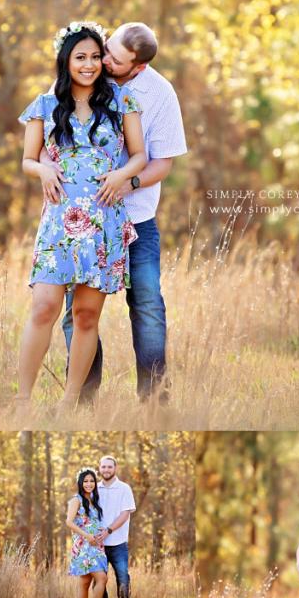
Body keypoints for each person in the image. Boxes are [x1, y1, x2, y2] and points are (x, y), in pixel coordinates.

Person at [44, 22, 188, 403]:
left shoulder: (158, 94)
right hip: (83, 222)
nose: (103, 61)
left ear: (137, 67)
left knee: (147, 305)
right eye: (105, 50)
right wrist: (45, 167)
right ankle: (83, 399)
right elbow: (43, 132)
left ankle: (154, 400)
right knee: (79, 312)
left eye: (114, 59)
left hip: (136, 220)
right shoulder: (83, 74)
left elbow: (162, 163)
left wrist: (130, 183)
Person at [16, 20, 147, 406]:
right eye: (80, 57)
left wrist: (123, 173)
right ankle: (22, 401)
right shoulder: (44, 104)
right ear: (66, 60)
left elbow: (140, 156)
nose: (89, 65)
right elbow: (26, 159)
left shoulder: (122, 102)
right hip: (59, 219)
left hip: (104, 218)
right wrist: (43, 168)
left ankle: (68, 403)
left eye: (94, 56)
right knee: (44, 308)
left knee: (88, 315)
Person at [96, 455, 136, 598]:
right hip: (98, 545)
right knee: (99, 581)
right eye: (103, 467)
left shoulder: (124, 488)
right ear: (99, 468)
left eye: (109, 467)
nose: (106, 470)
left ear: (115, 468)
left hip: (118, 543)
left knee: (123, 580)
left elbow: (125, 513)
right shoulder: (94, 488)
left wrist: (108, 530)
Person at [66, 468, 108, 598]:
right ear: (80, 483)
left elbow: (94, 521)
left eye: (92, 481)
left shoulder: (94, 500)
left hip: (97, 545)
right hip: (84, 545)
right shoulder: (76, 500)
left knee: (85, 582)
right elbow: (69, 522)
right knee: (101, 578)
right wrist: (87, 536)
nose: (89, 484)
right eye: (86, 481)